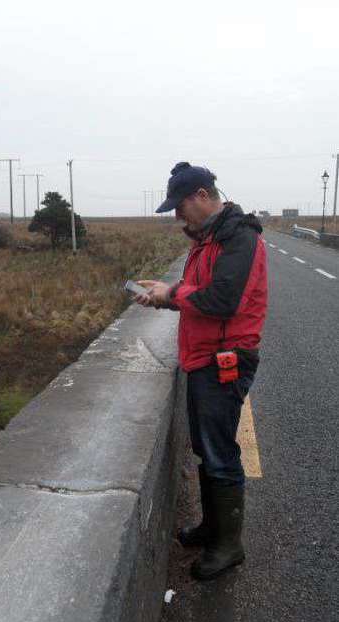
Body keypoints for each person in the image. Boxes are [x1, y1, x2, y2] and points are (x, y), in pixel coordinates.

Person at [135, 162, 268, 580]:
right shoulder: (207, 239)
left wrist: (173, 293)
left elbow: (223, 299)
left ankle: (229, 547)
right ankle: (213, 528)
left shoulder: (239, 238)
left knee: (221, 452)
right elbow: (198, 295)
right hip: (202, 357)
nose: (178, 217)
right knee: (206, 448)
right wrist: (165, 294)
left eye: (180, 207)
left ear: (202, 197)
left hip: (224, 360)